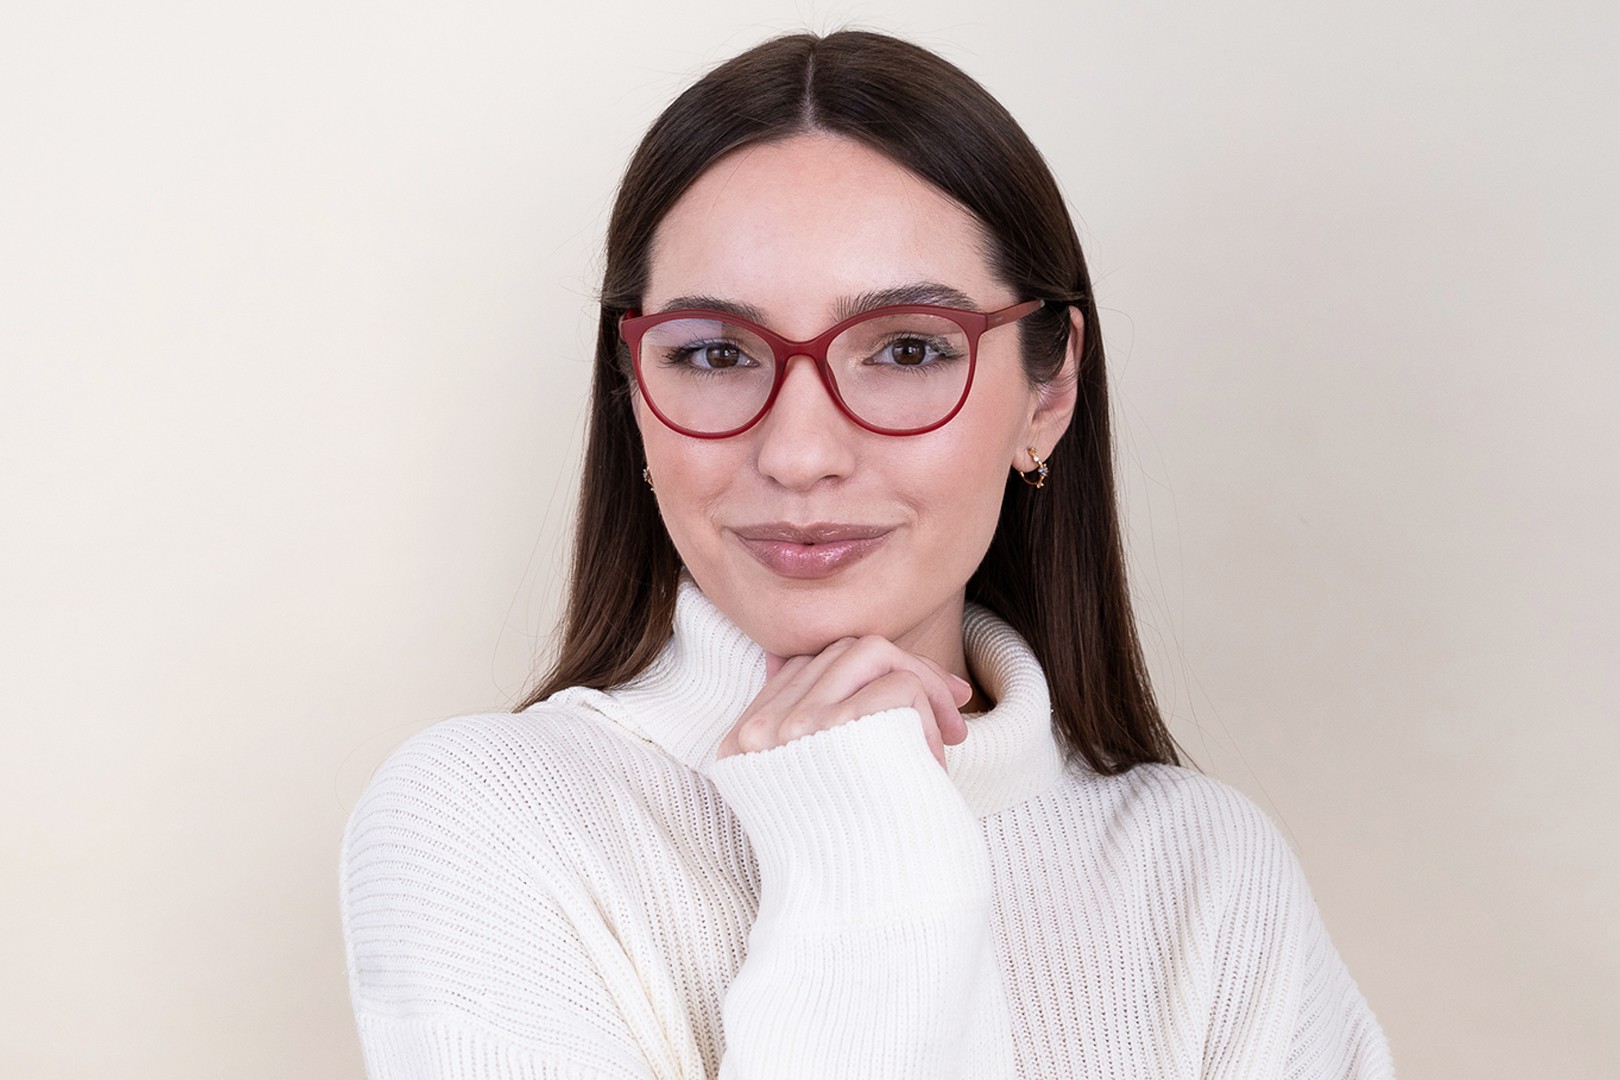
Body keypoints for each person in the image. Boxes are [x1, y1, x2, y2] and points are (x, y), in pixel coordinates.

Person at [341, 30, 1394, 1079]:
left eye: (907, 349)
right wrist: (870, 862)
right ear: (633, 395)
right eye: (713, 352)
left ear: (1050, 392)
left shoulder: (1210, 877)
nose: (800, 454)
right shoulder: (485, 820)